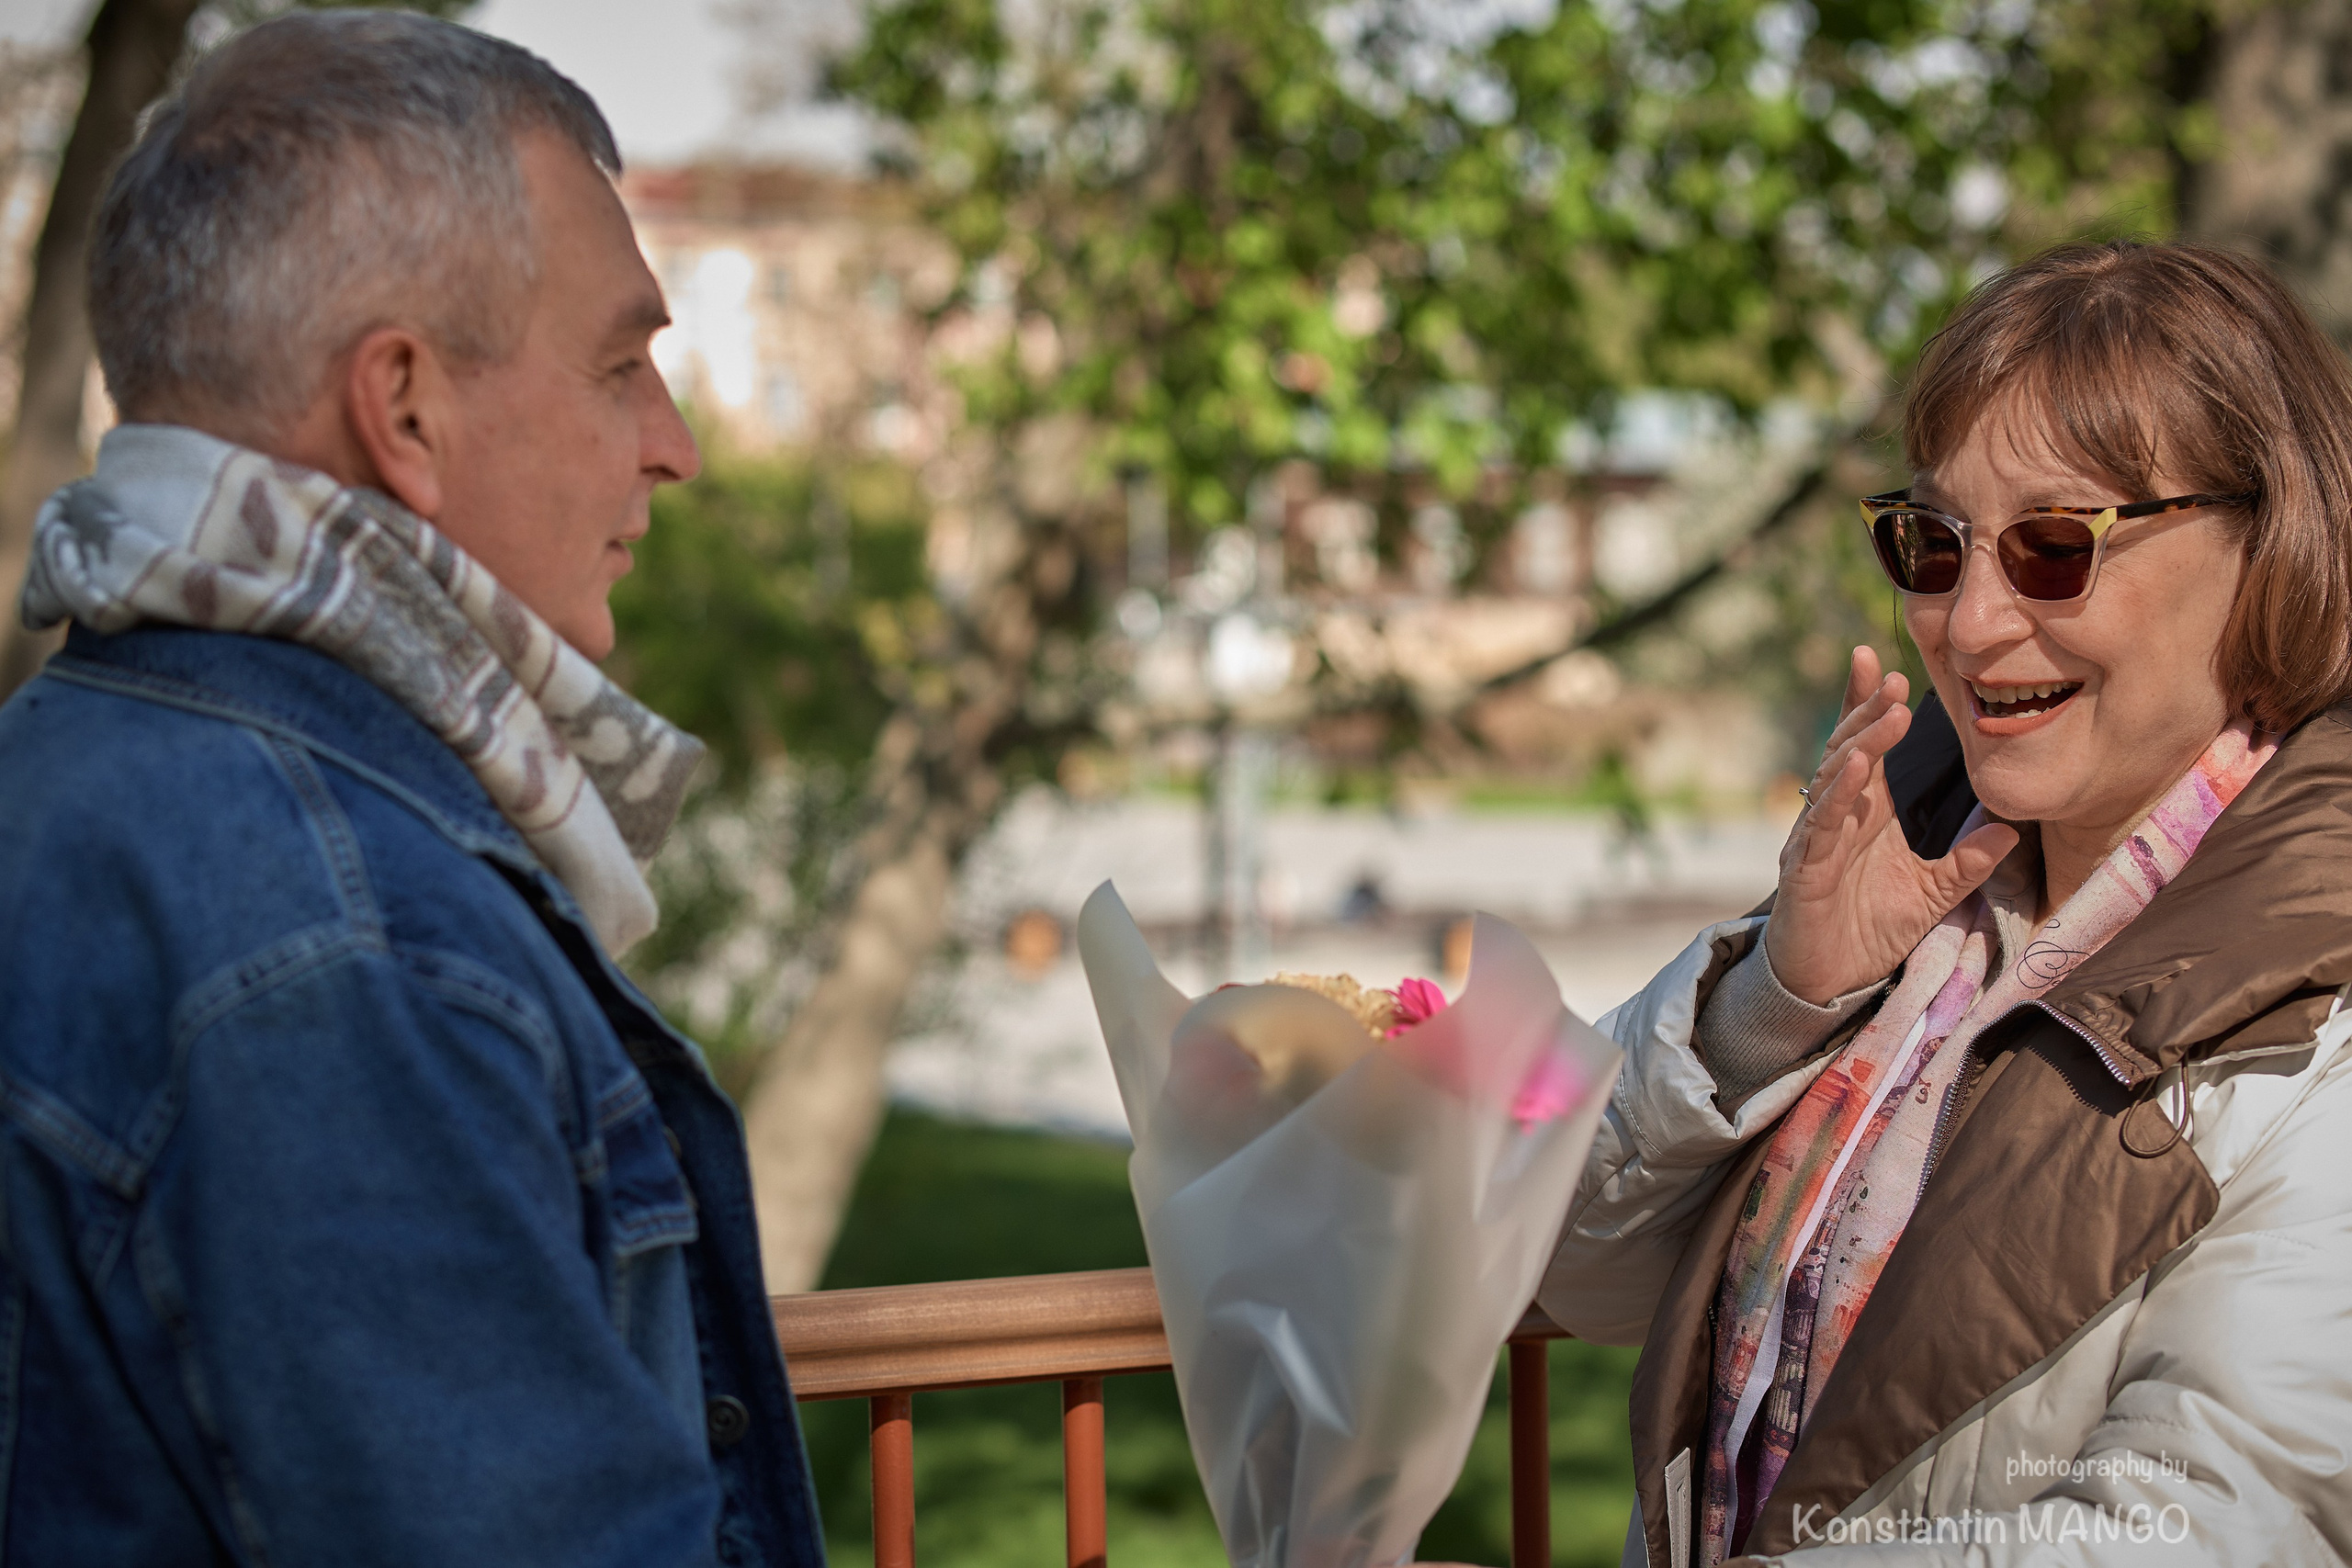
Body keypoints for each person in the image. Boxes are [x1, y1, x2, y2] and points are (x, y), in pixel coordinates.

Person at [0, 13, 824, 1564]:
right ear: (407, 411)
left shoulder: (68, 765)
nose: (678, 445)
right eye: (623, 361)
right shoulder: (342, 948)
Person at [1537, 240, 2352, 1565]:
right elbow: (1577, 1272)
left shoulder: (2318, 1008)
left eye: (2052, 548)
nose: (1966, 625)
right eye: (1932, 542)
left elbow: (2202, 1529)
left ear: (2269, 550)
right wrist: (1774, 1000)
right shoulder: (1913, 894)